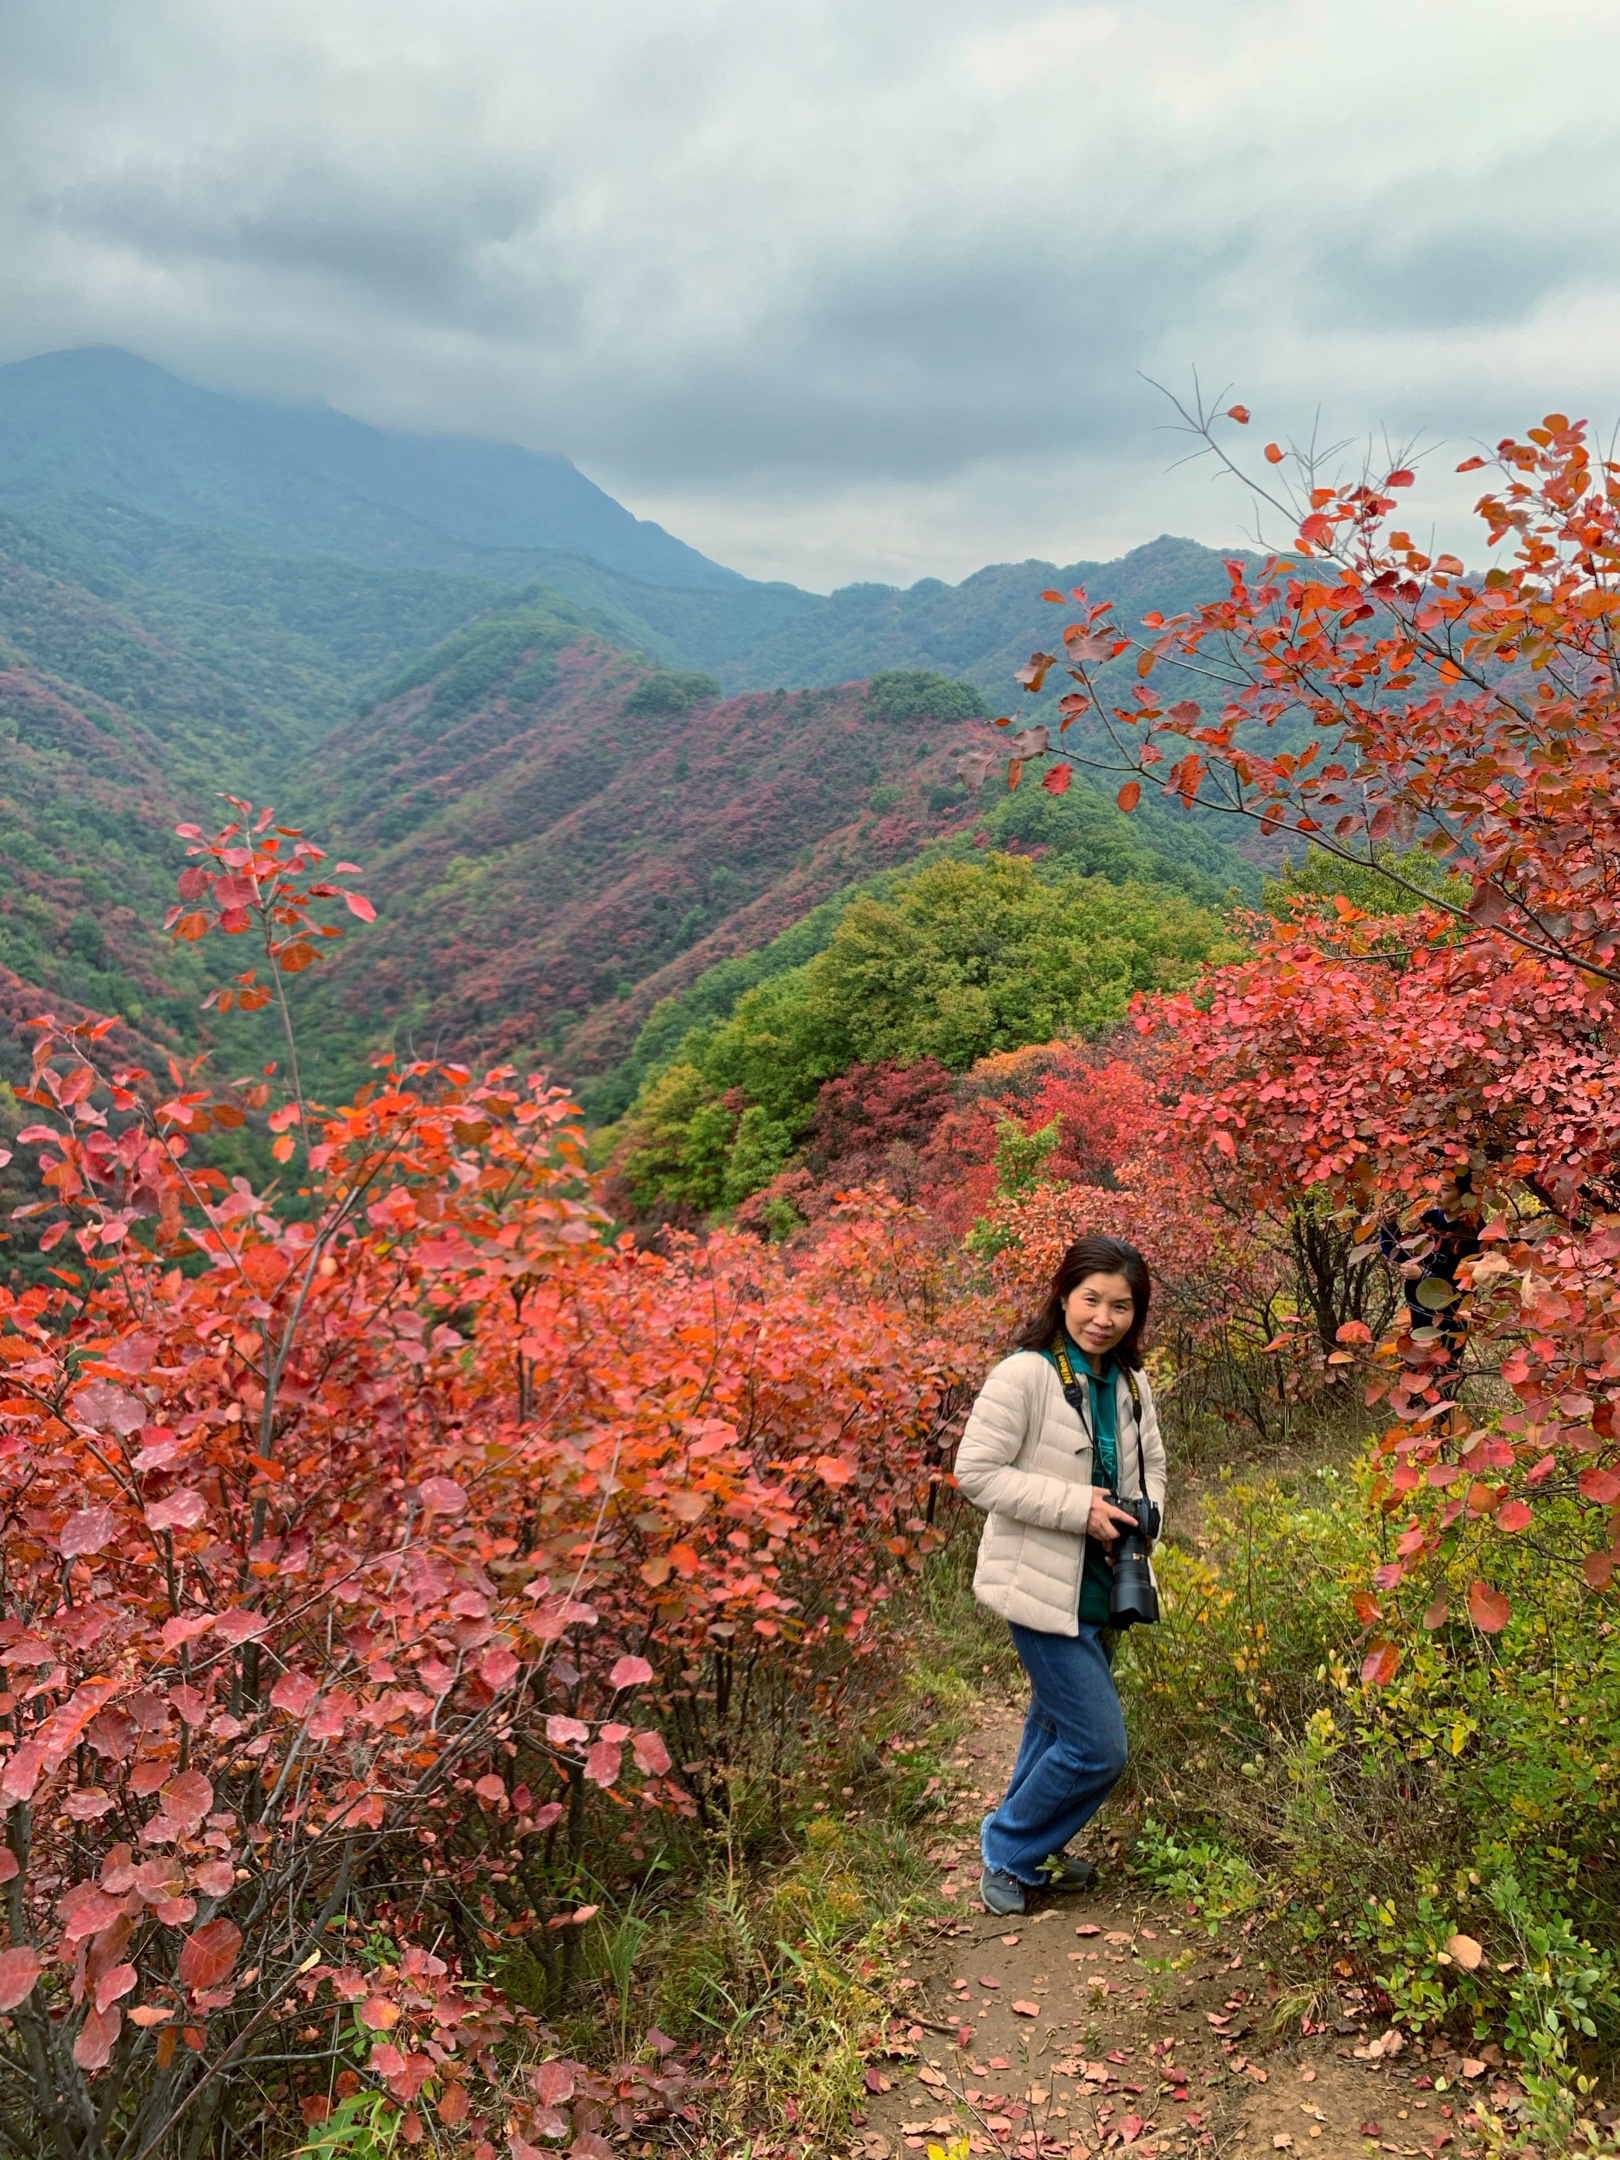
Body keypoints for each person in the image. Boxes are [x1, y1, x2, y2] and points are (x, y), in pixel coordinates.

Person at [954, 1233, 1167, 1918]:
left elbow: (1154, 1468)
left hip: (1107, 1586)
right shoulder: (1026, 1374)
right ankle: (1011, 1850)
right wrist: (1080, 1509)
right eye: (1091, 1300)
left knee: (1052, 1728)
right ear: (1064, 1296)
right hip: (1040, 1584)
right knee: (1098, 1745)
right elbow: (977, 1474)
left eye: (1122, 1306)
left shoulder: (1133, 1383)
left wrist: (1145, 1516)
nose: (1104, 1318)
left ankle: (1028, 1854)